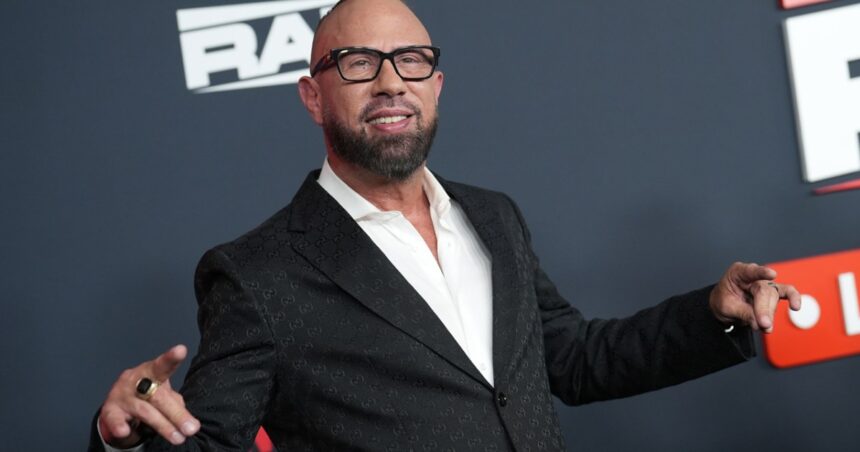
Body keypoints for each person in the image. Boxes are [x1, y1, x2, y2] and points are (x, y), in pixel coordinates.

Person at [91, 0, 802, 450]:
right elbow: (205, 440)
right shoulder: (257, 273)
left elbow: (573, 360)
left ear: (436, 86)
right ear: (312, 96)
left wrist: (712, 315)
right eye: (358, 63)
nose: (390, 82)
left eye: (411, 61)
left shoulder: (493, 216)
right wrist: (123, 438)